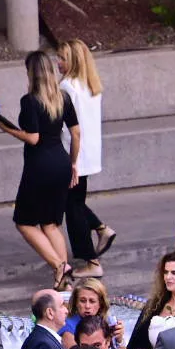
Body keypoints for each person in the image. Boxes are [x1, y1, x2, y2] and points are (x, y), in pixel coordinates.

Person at [0, 49, 80, 290]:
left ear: (31, 73)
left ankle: (59, 266)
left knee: (24, 221)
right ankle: (64, 281)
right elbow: (75, 133)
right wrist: (73, 163)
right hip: (61, 162)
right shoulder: (63, 97)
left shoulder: (30, 100)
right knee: (51, 224)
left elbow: (32, 138)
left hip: (39, 166)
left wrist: (5, 127)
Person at [58, 38, 112, 276]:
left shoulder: (68, 87)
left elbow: (67, 128)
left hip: (74, 155)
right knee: (74, 203)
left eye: (62, 58)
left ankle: (91, 261)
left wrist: (70, 162)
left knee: (73, 208)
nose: (58, 63)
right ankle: (101, 229)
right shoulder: (91, 85)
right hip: (88, 154)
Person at [61, 278, 126, 347]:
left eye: (92, 301)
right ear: (76, 302)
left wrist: (120, 340)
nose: (87, 306)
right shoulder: (68, 329)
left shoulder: (108, 322)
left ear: (100, 304)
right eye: (82, 301)